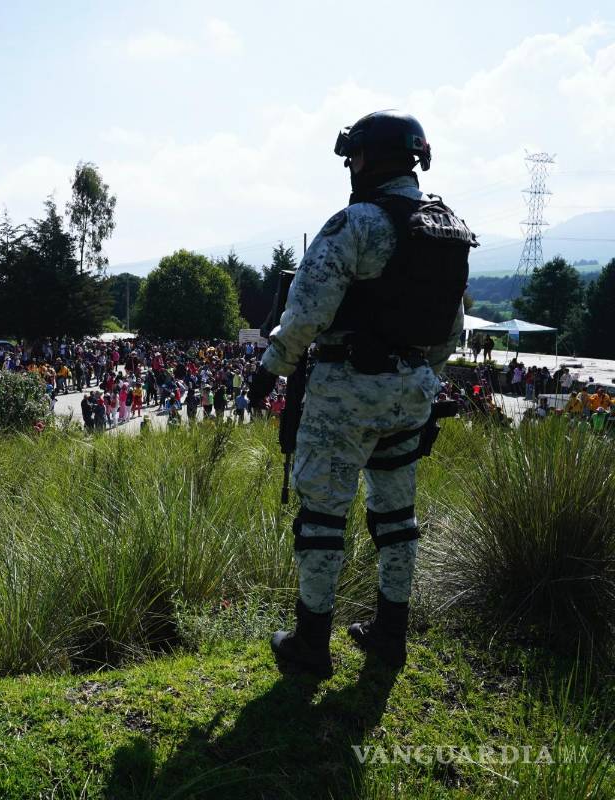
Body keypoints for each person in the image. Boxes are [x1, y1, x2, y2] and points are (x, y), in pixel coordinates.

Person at [249, 110, 471, 678]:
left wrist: (271, 367)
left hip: (344, 394)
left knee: (322, 517)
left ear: (368, 157)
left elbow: (307, 312)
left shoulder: (357, 224)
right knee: (397, 516)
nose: (351, 166)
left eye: (354, 157)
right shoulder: (447, 228)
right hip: (413, 393)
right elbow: (453, 329)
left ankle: (311, 643)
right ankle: (390, 635)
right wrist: (415, 373)